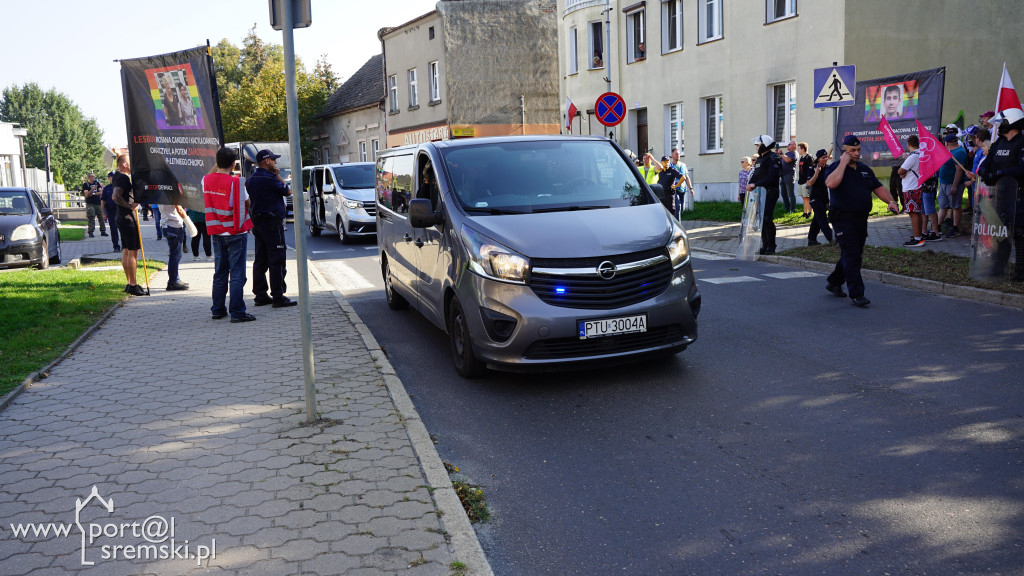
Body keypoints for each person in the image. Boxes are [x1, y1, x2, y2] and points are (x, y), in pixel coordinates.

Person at [823, 135, 899, 306]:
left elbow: (878, 187)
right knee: (852, 255)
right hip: (842, 219)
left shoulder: (864, 169)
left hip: (860, 219)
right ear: (844, 152)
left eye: (858, 150)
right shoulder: (835, 168)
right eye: (852, 151)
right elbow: (831, 184)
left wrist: (891, 202)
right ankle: (857, 294)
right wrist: (843, 163)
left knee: (853, 253)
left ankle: (834, 282)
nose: (856, 153)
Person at [203, 146, 255, 322]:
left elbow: (211, 174)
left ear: (217, 163)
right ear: (233, 164)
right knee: (237, 273)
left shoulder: (206, 181)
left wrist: (216, 162)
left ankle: (217, 309)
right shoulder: (237, 183)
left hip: (216, 232)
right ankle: (237, 312)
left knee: (220, 272)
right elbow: (247, 203)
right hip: (236, 232)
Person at [978, 108, 1024, 281]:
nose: (999, 126)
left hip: (1019, 195)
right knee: (1000, 232)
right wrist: (984, 171)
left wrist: (998, 174)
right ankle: (997, 269)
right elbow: (987, 162)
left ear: (1011, 123)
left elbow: (1022, 168)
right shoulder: (998, 143)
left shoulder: (1022, 142)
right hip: (999, 195)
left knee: (1019, 232)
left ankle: (1021, 272)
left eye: (1002, 122)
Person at [247, 149, 297, 308]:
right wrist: (279, 176)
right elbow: (287, 191)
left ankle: (260, 295)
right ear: (267, 161)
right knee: (277, 258)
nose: (276, 163)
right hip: (272, 222)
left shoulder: (251, 179)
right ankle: (278, 296)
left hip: (258, 222)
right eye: (274, 160)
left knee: (260, 259)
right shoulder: (270, 178)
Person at [110, 155, 147, 296]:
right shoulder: (123, 178)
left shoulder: (117, 177)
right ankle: (133, 284)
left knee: (126, 250)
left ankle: (129, 283)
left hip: (121, 217)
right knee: (133, 251)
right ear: (124, 164)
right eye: (130, 162)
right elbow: (115, 196)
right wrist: (130, 205)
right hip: (127, 218)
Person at [746, 135, 783, 255]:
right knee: (761, 219)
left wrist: (756, 184)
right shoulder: (761, 158)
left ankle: (771, 246)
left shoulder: (773, 157)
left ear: (764, 145)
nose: (756, 147)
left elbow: (772, 177)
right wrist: (751, 183)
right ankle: (765, 245)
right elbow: (757, 174)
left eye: (758, 145)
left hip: (770, 192)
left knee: (767, 218)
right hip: (760, 193)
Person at [937, 133, 968, 238]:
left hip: (952, 184)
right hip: (944, 183)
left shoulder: (959, 153)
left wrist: (955, 186)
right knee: (943, 205)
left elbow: (959, 171)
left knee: (955, 206)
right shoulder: (949, 151)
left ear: (947, 142)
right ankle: (937, 227)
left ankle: (955, 228)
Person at [897, 135, 926, 246]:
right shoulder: (921, 154)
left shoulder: (912, 156)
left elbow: (900, 171)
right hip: (917, 186)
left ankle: (917, 238)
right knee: (917, 212)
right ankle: (918, 234)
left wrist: (902, 173)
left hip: (911, 187)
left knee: (913, 213)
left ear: (909, 144)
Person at [804, 148, 834, 246]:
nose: (825, 159)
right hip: (815, 198)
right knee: (822, 219)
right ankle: (831, 238)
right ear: (818, 159)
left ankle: (811, 239)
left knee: (817, 219)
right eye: (822, 158)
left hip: (824, 197)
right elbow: (809, 183)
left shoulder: (828, 168)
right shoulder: (812, 168)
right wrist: (816, 173)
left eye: (826, 157)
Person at [158, 202, 189, 291]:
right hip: (174, 225)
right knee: (175, 256)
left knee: (174, 255)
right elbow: (179, 209)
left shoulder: (161, 193)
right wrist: (189, 223)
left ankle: (176, 279)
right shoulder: (171, 193)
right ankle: (173, 282)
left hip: (166, 224)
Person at [668, 148, 693, 218]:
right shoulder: (669, 166)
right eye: (676, 154)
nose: (678, 155)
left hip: (682, 190)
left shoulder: (683, 165)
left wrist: (691, 188)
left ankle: (675, 221)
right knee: (678, 206)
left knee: (680, 209)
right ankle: (678, 225)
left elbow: (687, 178)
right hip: (674, 190)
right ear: (672, 156)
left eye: (679, 154)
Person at [81, 172, 106, 238]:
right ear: (89, 177)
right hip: (90, 203)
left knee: (101, 217)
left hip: (97, 203)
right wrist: (92, 189)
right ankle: (91, 232)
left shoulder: (97, 183)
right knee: (91, 217)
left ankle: (103, 231)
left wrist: (94, 194)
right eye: (92, 176)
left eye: (94, 176)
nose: (94, 178)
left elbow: (101, 192)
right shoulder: (86, 184)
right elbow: (86, 194)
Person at [100, 172, 120, 251]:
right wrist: (103, 213)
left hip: (121, 210)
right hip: (111, 211)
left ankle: (125, 246)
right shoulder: (107, 188)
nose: (113, 178)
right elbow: (103, 201)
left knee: (123, 229)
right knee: (113, 229)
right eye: (111, 177)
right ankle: (116, 246)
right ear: (109, 178)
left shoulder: (120, 186)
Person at [796, 142, 814, 218]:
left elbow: (811, 169)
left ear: (803, 149)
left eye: (799, 148)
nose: (798, 150)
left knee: (807, 197)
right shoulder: (801, 158)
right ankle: (805, 212)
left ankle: (810, 212)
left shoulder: (808, 157)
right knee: (803, 197)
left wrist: (809, 180)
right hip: (801, 180)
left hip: (806, 181)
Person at [779, 141, 797, 213]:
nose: (788, 145)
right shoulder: (786, 153)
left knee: (790, 193)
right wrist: (779, 154)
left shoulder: (794, 153)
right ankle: (787, 208)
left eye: (789, 144)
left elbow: (787, 160)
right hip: (783, 175)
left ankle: (793, 209)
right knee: (783, 193)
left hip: (789, 175)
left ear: (794, 146)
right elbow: (782, 159)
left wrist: (781, 153)